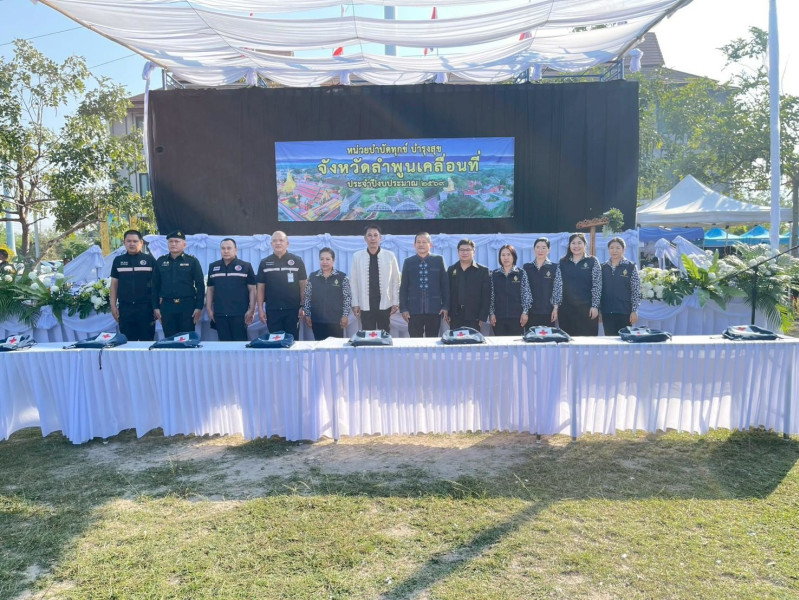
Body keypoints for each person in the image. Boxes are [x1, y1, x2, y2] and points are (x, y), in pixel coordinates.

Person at [152, 230, 205, 338]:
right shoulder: (160, 261)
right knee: (170, 339)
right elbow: (155, 286)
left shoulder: (192, 261)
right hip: (167, 306)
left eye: (177, 241)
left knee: (186, 339)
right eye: (171, 241)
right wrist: (156, 307)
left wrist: (199, 307)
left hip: (187, 306)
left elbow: (200, 285)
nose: (173, 244)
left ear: (184, 244)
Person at [256, 231, 307, 339]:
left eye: (281, 240)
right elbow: (260, 287)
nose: (278, 243)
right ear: (271, 244)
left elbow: (303, 285)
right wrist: (260, 309)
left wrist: (303, 306)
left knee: (292, 341)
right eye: (275, 240)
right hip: (273, 310)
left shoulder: (297, 261)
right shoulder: (265, 262)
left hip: (293, 310)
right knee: (275, 342)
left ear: (287, 243)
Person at [350, 225, 400, 332]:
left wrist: (396, 301)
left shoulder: (390, 256)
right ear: (365, 238)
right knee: (368, 335)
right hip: (365, 303)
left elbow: (396, 280)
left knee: (384, 334)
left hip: (385, 303)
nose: (373, 238)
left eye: (375, 235)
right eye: (369, 235)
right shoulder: (357, 256)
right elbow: (353, 282)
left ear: (380, 238)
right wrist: (355, 303)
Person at [399, 232, 449, 337]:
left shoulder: (438, 260)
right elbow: (403, 287)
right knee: (415, 341)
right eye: (418, 242)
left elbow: (445, 286)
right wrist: (404, 308)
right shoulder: (408, 262)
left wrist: (445, 306)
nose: (421, 244)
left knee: (432, 340)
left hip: (434, 309)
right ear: (414, 245)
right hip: (413, 310)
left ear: (430, 245)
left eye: (424, 242)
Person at [206, 238, 256, 341]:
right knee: (224, 344)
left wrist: (251, 309)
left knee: (240, 345)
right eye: (223, 248)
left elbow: (252, 289)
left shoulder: (246, 266)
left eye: (229, 248)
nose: (226, 251)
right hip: (220, 313)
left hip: (240, 314)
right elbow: (210, 289)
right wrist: (209, 309)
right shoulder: (213, 266)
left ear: (236, 250)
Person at [110, 229, 156, 340]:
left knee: (147, 342)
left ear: (141, 243)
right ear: (124, 243)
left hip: (146, 308)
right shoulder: (118, 261)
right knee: (127, 343)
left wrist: (156, 307)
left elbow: (157, 285)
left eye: (135, 241)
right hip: (125, 309)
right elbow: (114, 285)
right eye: (129, 241)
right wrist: (113, 305)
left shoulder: (149, 260)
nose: (132, 244)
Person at [552, 232, 601, 336]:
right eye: (573, 243)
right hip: (566, 310)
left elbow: (597, 285)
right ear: (569, 245)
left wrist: (595, 306)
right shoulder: (562, 262)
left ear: (585, 245)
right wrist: (556, 307)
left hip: (587, 309)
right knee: (568, 341)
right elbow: (557, 286)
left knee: (587, 341)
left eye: (579, 243)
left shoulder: (592, 261)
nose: (576, 246)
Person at [303, 247, 352, 340]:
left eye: (327, 259)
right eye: (322, 259)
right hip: (317, 320)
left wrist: (345, 315)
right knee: (320, 346)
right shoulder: (312, 276)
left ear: (333, 260)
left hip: (336, 321)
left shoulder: (342, 277)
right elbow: (307, 297)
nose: (324, 262)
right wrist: (308, 314)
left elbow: (347, 298)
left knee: (335, 347)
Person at [600, 236, 641, 336]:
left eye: (618, 248)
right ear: (608, 249)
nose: (614, 251)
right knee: (610, 341)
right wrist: (599, 310)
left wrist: (634, 310)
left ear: (624, 250)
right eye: (611, 248)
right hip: (607, 311)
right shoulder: (603, 267)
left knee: (624, 340)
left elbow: (636, 290)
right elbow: (599, 290)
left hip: (625, 311)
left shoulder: (630, 266)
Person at [446, 238, 490, 331]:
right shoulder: (451, 270)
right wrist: (448, 313)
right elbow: (447, 293)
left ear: (474, 251)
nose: (464, 252)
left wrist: (482, 316)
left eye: (468, 250)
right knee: (455, 339)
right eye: (462, 250)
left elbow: (486, 296)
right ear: (458, 252)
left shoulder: (483, 271)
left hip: (474, 317)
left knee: (473, 339)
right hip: (455, 316)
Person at [489, 244, 532, 336]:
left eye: (509, 254)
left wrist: (525, 312)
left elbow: (526, 295)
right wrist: (491, 313)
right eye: (503, 255)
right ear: (499, 257)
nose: (506, 258)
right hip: (498, 318)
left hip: (517, 317)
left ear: (514, 256)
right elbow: (491, 296)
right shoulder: (494, 274)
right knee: (500, 343)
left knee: (516, 343)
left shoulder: (521, 273)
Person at [522, 237, 558, 328]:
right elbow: (524, 290)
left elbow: (557, 289)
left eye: (544, 247)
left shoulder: (554, 267)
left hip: (548, 312)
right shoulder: (527, 267)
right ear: (534, 249)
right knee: (531, 336)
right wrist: (525, 311)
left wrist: (555, 308)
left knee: (547, 336)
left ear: (549, 250)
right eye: (537, 247)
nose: (540, 250)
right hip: (531, 312)